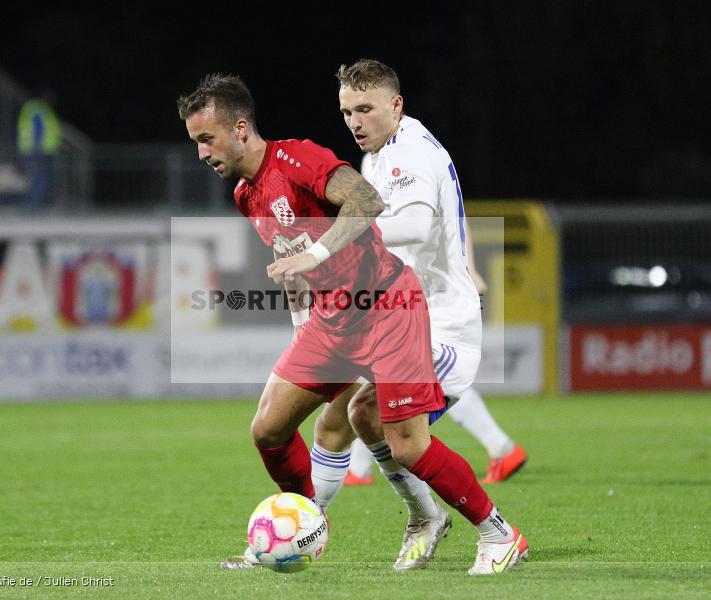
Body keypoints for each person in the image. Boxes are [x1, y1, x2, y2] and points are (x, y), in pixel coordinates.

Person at [178, 73, 526, 575]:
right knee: (269, 428)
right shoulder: (245, 196)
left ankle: (500, 535)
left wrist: (316, 250)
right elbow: (291, 263)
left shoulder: (298, 158)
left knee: (403, 441)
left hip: (388, 308)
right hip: (333, 320)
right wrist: (303, 321)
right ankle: (303, 524)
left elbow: (367, 201)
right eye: (195, 142)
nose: (201, 152)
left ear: (240, 128)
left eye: (206, 138)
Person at [307, 59, 528, 573]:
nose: (354, 122)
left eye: (365, 109)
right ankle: (416, 519)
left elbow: (412, 227)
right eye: (346, 112)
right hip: (406, 316)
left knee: (389, 432)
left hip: (444, 325)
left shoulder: (409, 153)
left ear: (396, 105)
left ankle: (496, 535)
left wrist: (330, 245)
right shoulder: (379, 157)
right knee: (355, 414)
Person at [344, 224, 528, 486]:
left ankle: (359, 469)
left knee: (392, 376)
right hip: (424, 289)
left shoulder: (396, 188)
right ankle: (501, 448)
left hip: (426, 292)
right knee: (421, 376)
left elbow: (442, 218)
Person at [17, 91, 61, 209]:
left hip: (33, 150)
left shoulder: (33, 107)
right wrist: (38, 147)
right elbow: (38, 128)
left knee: (39, 178)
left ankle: (34, 204)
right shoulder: (38, 109)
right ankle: (30, 205)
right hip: (37, 151)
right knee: (39, 178)